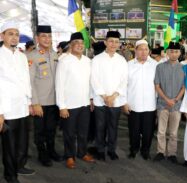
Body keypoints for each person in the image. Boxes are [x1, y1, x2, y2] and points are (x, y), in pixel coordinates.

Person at [0, 21, 35, 183]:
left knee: (23, 141)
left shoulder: (21, 56)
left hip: (22, 106)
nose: (14, 37)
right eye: (10, 33)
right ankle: (10, 175)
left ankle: (20, 165)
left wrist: (29, 103)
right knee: (10, 145)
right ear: (2, 36)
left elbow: (26, 81)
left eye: (16, 34)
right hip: (7, 108)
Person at [56, 32, 94, 169]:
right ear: (71, 45)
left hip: (84, 103)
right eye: (76, 43)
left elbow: (90, 82)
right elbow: (59, 84)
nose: (79, 45)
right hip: (69, 105)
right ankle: (69, 156)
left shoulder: (87, 61)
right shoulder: (64, 61)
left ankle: (82, 153)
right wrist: (62, 106)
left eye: (81, 43)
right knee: (69, 133)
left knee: (83, 132)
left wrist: (91, 98)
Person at [27, 25, 62, 167]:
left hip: (54, 101)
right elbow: (29, 81)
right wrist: (35, 103)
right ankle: (42, 154)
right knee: (40, 131)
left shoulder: (55, 55)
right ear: (37, 38)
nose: (47, 39)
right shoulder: (31, 56)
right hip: (40, 102)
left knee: (51, 129)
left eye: (49, 36)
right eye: (43, 36)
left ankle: (52, 150)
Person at [91, 31, 128, 161]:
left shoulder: (122, 60)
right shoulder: (97, 59)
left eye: (116, 42)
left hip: (115, 101)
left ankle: (112, 150)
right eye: (111, 41)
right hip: (101, 100)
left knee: (113, 127)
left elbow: (124, 80)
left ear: (119, 44)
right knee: (100, 127)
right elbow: (94, 79)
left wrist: (114, 96)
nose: (113, 44)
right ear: (106, 42)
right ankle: (100, 150)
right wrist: (104, 96)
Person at [124, 40, 157, 160]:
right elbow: (124, 85)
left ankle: (145, 150)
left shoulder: (155, 65)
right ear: (136, 51)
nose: (144, 52)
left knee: (148, 131)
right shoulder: (128, 65)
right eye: (141, 49)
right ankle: (133, 149)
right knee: (134, 130)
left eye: (146, 49)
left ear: (149, 51)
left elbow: (159, 85)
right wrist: (125, 103)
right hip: (133, 104)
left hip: (150, 104)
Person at [153, 42, 185, 163]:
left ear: (180, 53)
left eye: (176, 51)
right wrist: (167, 100)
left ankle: (172, 153)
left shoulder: (183, 68)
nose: (174, 54)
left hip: (176, 105)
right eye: (171, 51)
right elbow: (157, 85)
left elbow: (184, 87)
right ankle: (160, 151)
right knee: (161, 131)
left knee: (173, 132)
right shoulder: (160, 67)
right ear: (167, 52)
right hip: (162, 103)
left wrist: (176, 99)